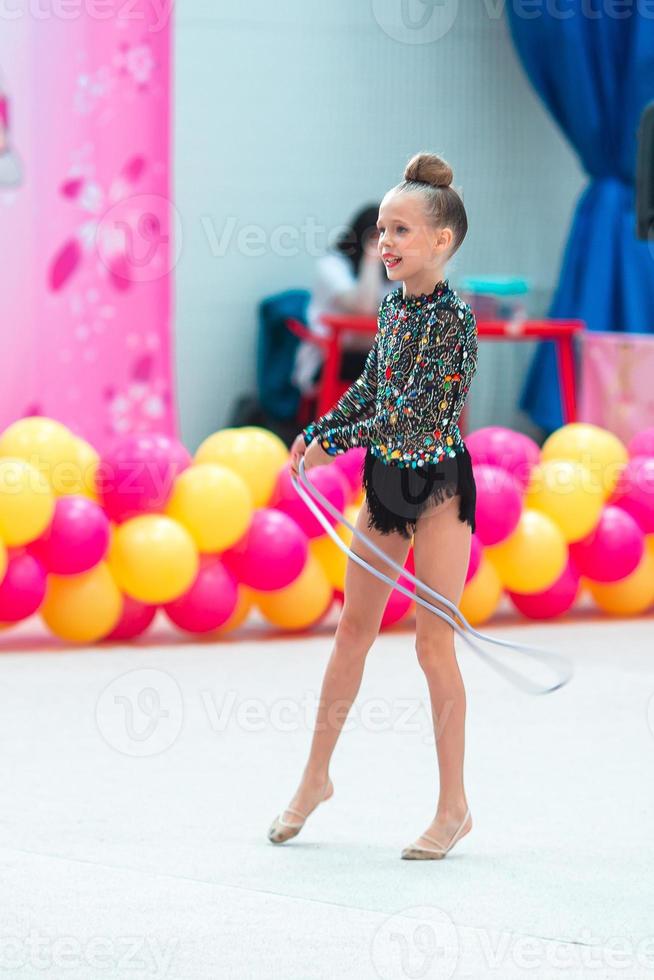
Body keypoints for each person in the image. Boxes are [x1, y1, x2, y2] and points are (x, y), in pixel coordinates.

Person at [270, 151, 479, 861]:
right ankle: (314, 778)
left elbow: (413, 412)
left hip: (440, 489)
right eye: (382, 230)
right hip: (388, 485)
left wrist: (341, 441)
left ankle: (454, 806)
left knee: (432, 643)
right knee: (352, 630)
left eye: (400, 231)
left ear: (441, 241)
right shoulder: (391, 307)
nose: (384, 243)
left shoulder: (455, 322)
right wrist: (322, 430)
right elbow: (372, 391)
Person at [291, 204, 395, 394]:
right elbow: (363, 308)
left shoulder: (393, 272)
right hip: (331, 358)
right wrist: (371, 257)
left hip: (374, 355)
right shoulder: (331, 266)